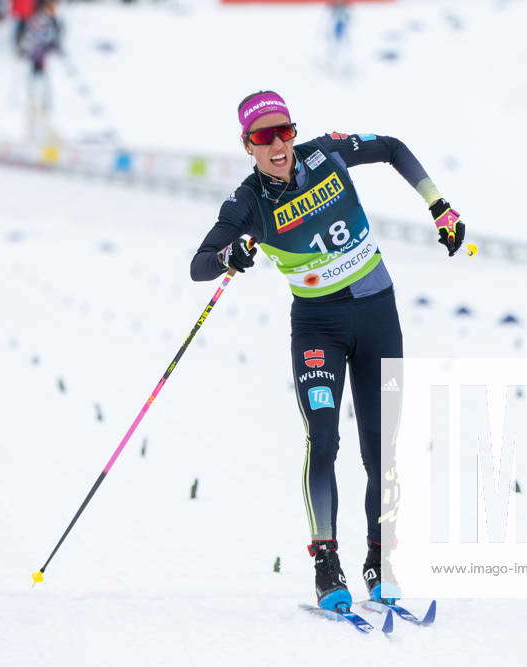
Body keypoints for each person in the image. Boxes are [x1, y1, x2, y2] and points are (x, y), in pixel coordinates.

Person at [190, 91, 466, 611]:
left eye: (284, 132)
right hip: (319, 327)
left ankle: (379, 561)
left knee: (380, 448)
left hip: (378, 313)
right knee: (323, 439)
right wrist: (233, 252)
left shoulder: (326, 154)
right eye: (262, 138)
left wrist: (439, 205)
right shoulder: (247, 202)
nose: (277, 146)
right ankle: (326, 564)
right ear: (247, 145)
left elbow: (392, 147)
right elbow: (200, 265)